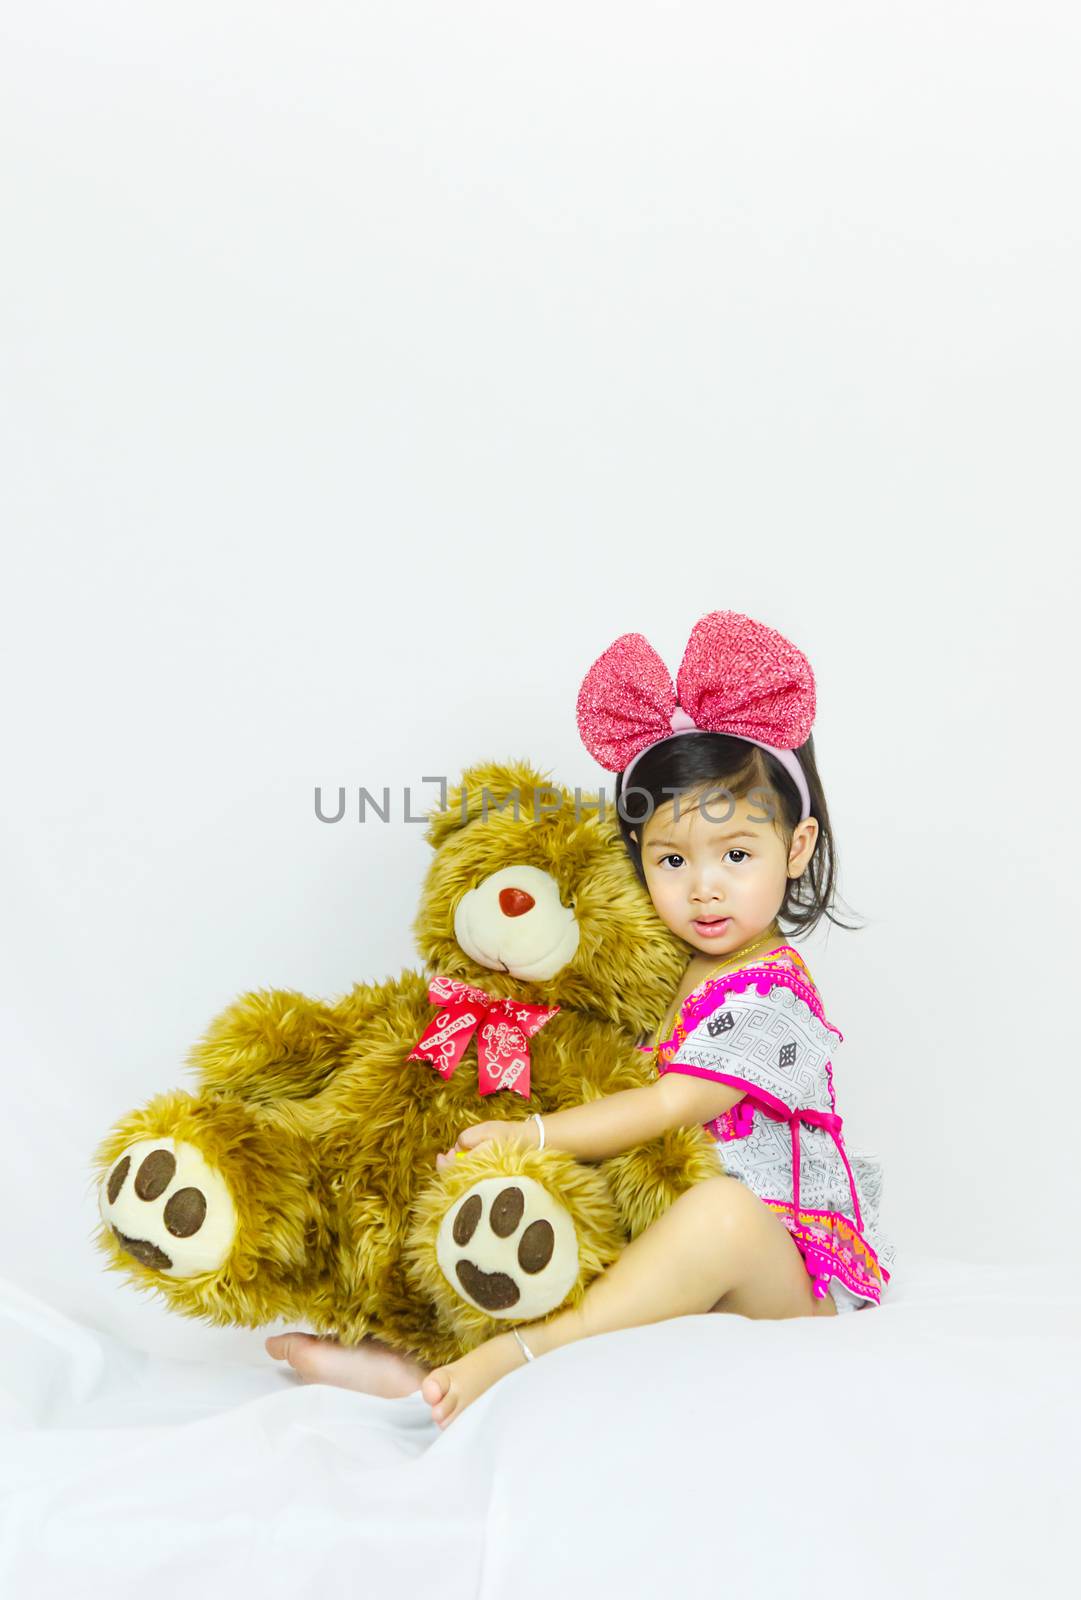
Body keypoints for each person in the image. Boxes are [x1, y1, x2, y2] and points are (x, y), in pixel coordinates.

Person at [268, 610, 894, 1427]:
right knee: (533, 1215)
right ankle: (413, 1359)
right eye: (672, 860)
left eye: (736, 854)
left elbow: (673, 1104)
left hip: (776, 1280)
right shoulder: (662, 970)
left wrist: (533, 1134)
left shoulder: (772, 994)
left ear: (798, 846)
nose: (703, 888)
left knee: (720, 1215)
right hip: (660, 1244)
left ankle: (523, 1355)